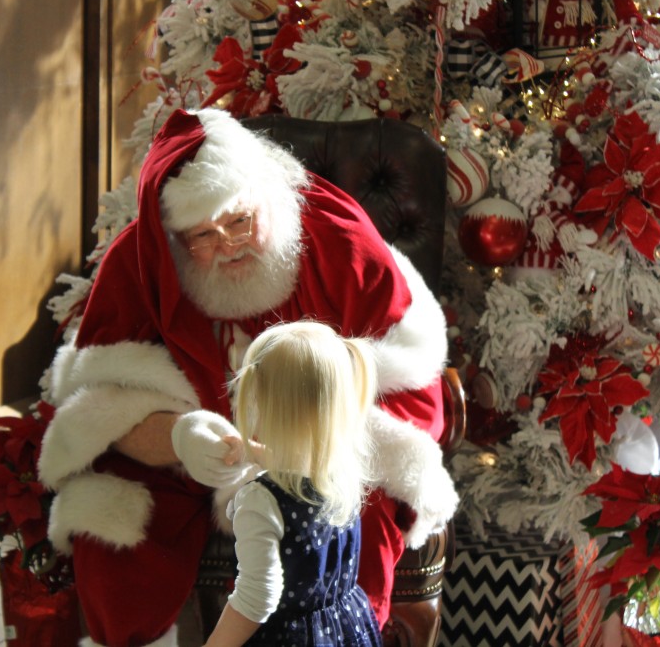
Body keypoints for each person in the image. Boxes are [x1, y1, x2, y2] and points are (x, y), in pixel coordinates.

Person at [37, 107, 458, 647]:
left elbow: (409, 392)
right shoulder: (141, 261)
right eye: (203, 237)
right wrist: (177, 436)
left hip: (321, 450)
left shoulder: (336, 238)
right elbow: (97, 407)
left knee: (362, 509)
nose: (228, 245)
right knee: (111, 526)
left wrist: (309, 442)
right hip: (189, 465)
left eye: (239, 222)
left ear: (265, 196)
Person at [204, 320, 383, 647]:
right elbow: (297, 464)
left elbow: (256, 597)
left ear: (257, 400)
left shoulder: (259, 501)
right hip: (344, 630)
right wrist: (253, 452)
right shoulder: (340, 469)